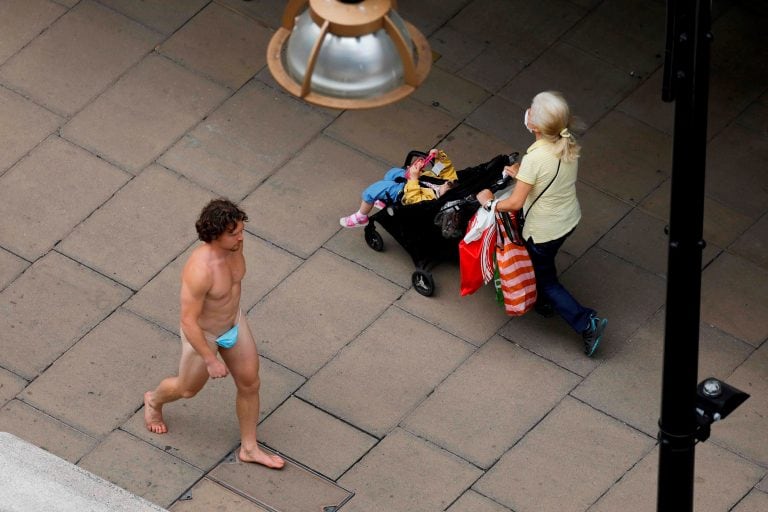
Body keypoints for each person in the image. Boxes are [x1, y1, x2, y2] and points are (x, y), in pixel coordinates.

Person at [144, 198, 285, 469]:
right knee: (186, 390)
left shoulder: (236, 247)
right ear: (214, 235)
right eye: (233, 234)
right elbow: (188, 321)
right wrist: (210, 359)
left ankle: (249, 448)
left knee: (250, 383)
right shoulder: (200, 270)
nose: (241, 237)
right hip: (205, 334)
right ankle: (153, 400)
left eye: (242, 230)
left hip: (233, 323)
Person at [476, 91, 608, 356]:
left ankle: (586, 322)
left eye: (532, 110)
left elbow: (514, 203)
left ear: (535, 126)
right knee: (544, 263)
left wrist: (489, 202)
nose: (528, 111)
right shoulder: (565, 141)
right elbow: (548, 177)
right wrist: (522, 175)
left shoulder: (536, 158)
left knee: (545, 278)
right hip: (567, 219)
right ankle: (546, 301)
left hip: (544, 230)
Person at [340, 148, 456, 228]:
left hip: (406, 193)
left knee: (372, 191)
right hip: (417, 181)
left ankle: (361, 217)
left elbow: (412, 199)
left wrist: (413, 178)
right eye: (448, 183)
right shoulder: (445, 181)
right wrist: (438, 156)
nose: (446, 184)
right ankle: (385, 200)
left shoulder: (431, 199)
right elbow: (445, 169)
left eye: (447, 187)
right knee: (393, 173)